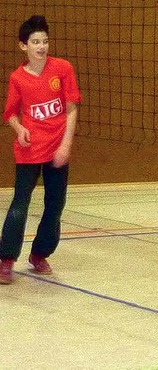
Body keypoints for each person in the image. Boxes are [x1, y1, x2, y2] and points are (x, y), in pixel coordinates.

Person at [0, 15, 82, 285]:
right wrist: (19, 128)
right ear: (23, 46)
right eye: (35, 42)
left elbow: (71, 107)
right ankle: (6, 259)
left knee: (55, 205)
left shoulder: (62, 69)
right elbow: (10, 113)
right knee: (19, 205)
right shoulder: (18, 79)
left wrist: (66, 144)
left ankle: (39, 254)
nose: (41, 46)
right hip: (30, 150)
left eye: (45, 41)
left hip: (57, 148)